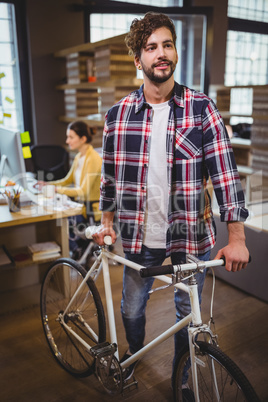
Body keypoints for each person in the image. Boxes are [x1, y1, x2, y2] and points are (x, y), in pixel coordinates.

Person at [92, 12, 250, 384]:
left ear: (175, 52)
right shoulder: (118, 116)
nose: (160, 53)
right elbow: (110, 178)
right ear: (138, 60)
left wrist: (238, 238)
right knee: (131, 308)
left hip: (190, 236)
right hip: (137, 234)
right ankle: (134, 352)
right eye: (151, 48)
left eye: (167, 45)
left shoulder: (202, 109)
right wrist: (106, 224)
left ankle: (182, 376)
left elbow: (225, 174)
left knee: (186, 314)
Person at [37, 120, 102, 257]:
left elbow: (83, 191)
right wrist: (49, 185)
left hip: (90, 207)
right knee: (55, 214)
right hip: (81, 204)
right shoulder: (79, 157)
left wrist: (56, 190)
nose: (67, 141)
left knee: (60, 218)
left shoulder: (93, 159)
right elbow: (67, 180)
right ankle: (78, 246)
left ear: (83, 139)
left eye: (71, 137)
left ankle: (77, 247)